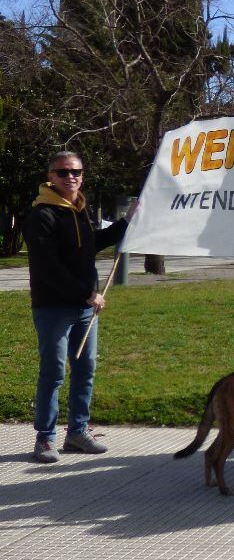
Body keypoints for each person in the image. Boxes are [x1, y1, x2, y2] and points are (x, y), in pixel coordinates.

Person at [24, 151, 133, 463]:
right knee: (54, 372)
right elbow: (48, 267)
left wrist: (126, 222)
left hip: (86, 309)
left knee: (85, 370)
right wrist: (87, 293)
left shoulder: (79, 210)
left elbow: (91, 245)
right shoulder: (41, 215)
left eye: (76, 172)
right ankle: (45, 438)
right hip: (53, 308)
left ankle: (77, 433)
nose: (70, 177)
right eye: (63, 172)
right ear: (51, 177)